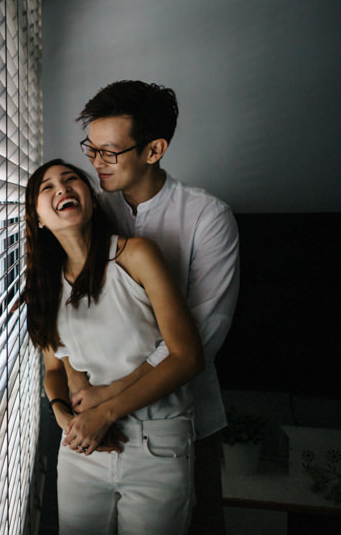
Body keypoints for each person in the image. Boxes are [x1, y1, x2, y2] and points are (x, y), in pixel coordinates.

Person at [71, 80, 240, 535]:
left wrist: (113, 396)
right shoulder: (87, 212)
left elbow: (204, 335)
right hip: (94, 424)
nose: (95, 163)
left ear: (154, 150)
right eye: (91, 149)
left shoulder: (208, 218)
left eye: (110, 152)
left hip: (183, 422)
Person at [24, 159, 204, 535]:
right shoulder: (47, 286)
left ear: (90, 196)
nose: (62, 189)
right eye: (47, 187)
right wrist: (65, 418)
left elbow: (187, 357)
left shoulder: (136, 255)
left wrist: (104, 413)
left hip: (156, 442)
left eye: (71, 180)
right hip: (83, 447)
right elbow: (54, 370)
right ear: (38, 218)